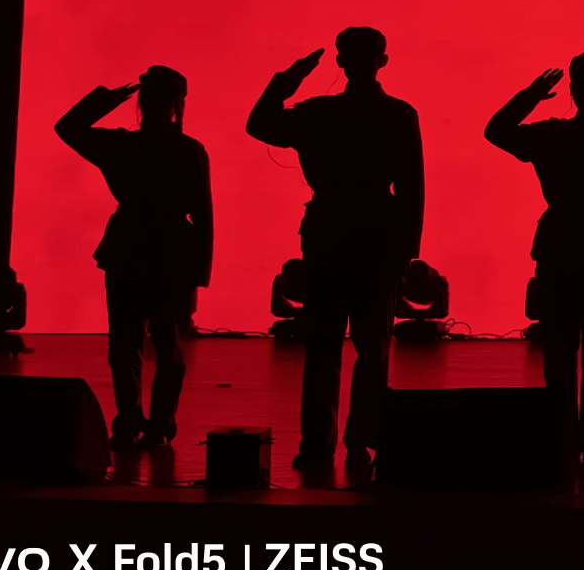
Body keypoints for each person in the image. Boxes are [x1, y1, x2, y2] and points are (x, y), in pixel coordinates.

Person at [247, 27, 424, 471]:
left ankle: (315, 444)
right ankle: (362, 441)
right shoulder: (399, 114)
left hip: (327, 232)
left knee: (322, 348)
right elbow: (411, 188)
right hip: (378, 237)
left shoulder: (316, 113)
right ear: (382, 61)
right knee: (373, 349)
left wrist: (287, 82)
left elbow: (259, 123)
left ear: (341, 62)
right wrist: (407, 250)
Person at [485, 52, 584, 464]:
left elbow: (496, 131)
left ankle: (563, 432)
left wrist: (531, 96)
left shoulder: (552, 135)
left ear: (572, 88)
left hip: (558, 246)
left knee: (559, 351)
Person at [54, 66, 212, 448]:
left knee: (125, 345)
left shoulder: (122, 146)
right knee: (169, 348)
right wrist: (199, 273)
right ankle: (159, 426)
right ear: (178, 104)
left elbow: (68, 128)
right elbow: (203, 216)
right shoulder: (189, 150)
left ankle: (128, 422)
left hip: (126, 248)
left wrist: (105, 100)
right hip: (172, 253)